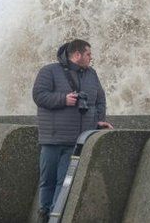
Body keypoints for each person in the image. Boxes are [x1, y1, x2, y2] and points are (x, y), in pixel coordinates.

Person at [32, 39, 112, 221]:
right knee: (48, 181)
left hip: (76, 140)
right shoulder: (49, 71)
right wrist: (63, 99)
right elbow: (39, 96)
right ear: (77, 55)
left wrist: (99, 121)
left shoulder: (92, 74)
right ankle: (43, 215)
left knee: (64, 183)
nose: (91, 58)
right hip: (52, 139)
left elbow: (99, 101)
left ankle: (55, 217)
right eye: (88, 54)